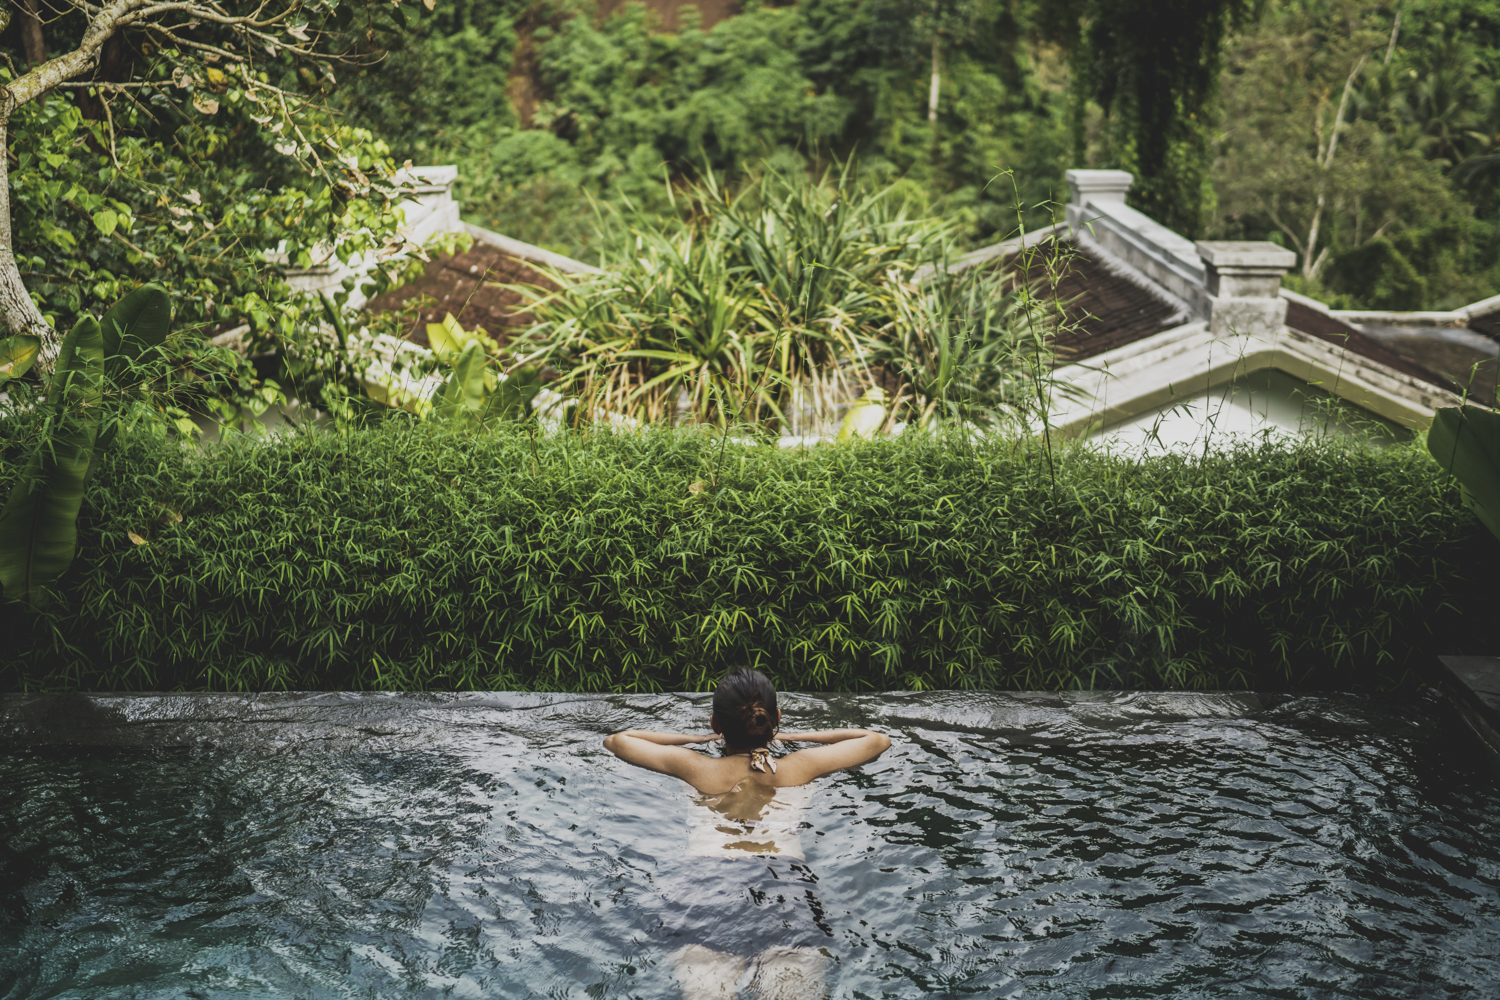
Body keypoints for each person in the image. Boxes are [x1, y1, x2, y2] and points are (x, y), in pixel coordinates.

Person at [603, 668, 891, 1000]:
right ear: (775, 717)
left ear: (716, 725)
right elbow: (876, 740)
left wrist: (697, 741)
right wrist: (788, 738)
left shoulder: (696, 767)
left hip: (707, 888)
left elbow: (618, 740)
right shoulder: (800, 766)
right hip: (783, 888)